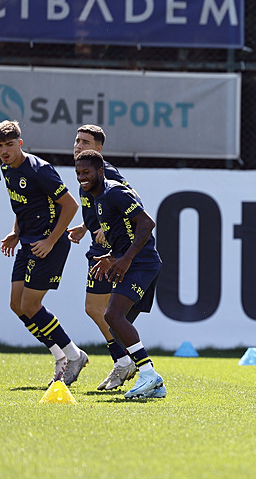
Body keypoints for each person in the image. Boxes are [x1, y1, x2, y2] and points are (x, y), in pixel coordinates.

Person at [0, 120, 88, 386]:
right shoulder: (6, 169)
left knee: (30, 305)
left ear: (20, 143)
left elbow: (71, 206)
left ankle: (74, 355)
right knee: (17, 305)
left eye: (9, 145)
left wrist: (51, 240)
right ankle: (60, 356)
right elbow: (22, 206)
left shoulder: (39, 169)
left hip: (49, 244)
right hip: (28, 242)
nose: (4, 151)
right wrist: (15, 232)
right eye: (0, 146)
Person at [74, 150, 165, 399]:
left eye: (86, 172)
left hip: (142, 263)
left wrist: (126, 259)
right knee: (116, 327)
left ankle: (149, 374)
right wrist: (113, 257)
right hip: (132, 261)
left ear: (100, 171)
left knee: (112, 316)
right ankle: (154, 383)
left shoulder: (114, 192)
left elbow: (146, 223)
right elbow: (124, 234)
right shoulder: (96, 198)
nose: (81, 177)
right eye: (78, 172)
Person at [67, 125, 137, 391]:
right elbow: (100, 207)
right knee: (102, 310)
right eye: (77, 140)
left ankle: (125, 360)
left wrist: (109, 229)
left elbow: (133, 201)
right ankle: (125, 359)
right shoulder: (85, 172)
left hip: (110, 252)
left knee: (100, 310)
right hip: (99, 250)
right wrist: (86, 226)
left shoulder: (106, 171)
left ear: (99, 149)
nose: (78, 145)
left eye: (85, 142)